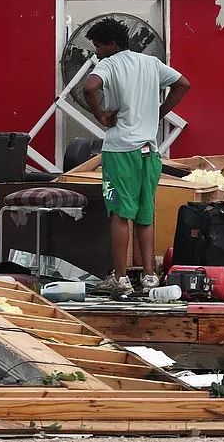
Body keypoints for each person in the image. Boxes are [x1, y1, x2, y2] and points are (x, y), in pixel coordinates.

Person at [82, 17, 190, 295]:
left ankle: (119, 279)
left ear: (112, 44)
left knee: (118, 214)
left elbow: (90, 87)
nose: (95, 52)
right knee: (145, 215)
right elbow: (183, 84)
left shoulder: (108, 64)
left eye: (97, 46)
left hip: (119, 153)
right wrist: (161, 111)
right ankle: (150, 277)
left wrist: (100, 114)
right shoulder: (151, 63)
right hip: (149, 153)